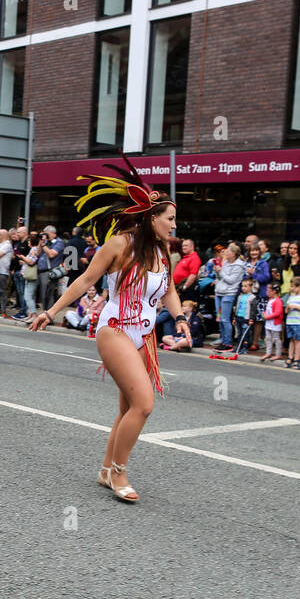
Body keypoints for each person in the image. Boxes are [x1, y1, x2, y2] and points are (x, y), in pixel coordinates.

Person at [29, 156, 191, 503]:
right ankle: (119, 472)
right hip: (115, 328)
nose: (174, 226)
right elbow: (85, 279)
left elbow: (171, 291)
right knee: (144, 405)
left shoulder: (163, 251)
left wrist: (179, 319)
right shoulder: (120, 244)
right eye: (170, 218)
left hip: (143, 337)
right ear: (152, 217)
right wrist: (52, 311)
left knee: (128, 408)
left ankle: (106, 470)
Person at [213, 242, 246, 349]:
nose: (225, 253)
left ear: (234, 254)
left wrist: (221, 272)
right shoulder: (226, 263)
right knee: (219, 318)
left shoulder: (239, 265)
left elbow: (231, 280)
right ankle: (223, 339)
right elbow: (220, 278)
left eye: (228, 251)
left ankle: (228, 342)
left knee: (225, 319)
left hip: (228, 293)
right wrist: (217, 271)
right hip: (219, 293)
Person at [283, 277, 300, 368]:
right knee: (291, 340)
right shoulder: (291, 296)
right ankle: (290, 357)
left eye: (293, 287)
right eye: (291, 286)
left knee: (298, 340)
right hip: (290, 321)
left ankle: (297, 359)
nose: (291, 289)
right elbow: (286, 311)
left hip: (299, 322)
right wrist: (288, 308)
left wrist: (296, 307)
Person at [261, 282, 284, 361]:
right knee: (268, 338)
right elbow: (267, 309)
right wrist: (264, 314)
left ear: (274, 291)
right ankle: (268, 352)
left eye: (268, 290)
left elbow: (277, 313)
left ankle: (278, 354)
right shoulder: (270, 299)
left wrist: (267, 316)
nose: (266, 291)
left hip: (275, 324)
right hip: (269, 323)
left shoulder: (278, 301)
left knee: (276, 339)